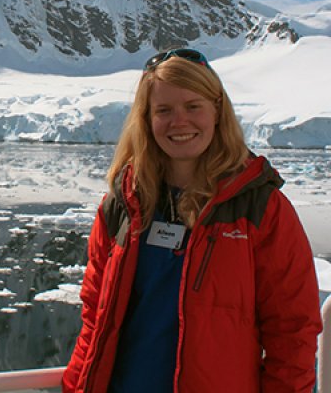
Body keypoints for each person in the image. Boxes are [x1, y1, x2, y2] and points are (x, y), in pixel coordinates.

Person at [62, 48, 321, 392]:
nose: (179, 121)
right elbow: (96, 318)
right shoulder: (122, 206)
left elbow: (292, 332)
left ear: (217, 111)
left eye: (193, 106)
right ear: (147, 119)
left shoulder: (261, 207)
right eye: (164, 110)